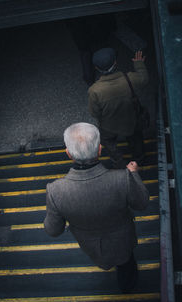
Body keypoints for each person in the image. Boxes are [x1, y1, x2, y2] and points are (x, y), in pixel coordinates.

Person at [44, 122, 149, 292]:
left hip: (91, 245)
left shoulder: (55, 191)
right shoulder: (122, 179)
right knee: (127, 265)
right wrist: (134, 174)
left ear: (69, 154)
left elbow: (53, 230)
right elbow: (142, 203)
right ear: (100, 150)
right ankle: (128, 286)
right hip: (123, 239)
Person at [88, 48, 149, 168]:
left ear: (96, 68)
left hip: (109, 126)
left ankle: (119, 163)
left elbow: (94, 113)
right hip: (131, 121)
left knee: (108, 142)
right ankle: (139, 160)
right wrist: (139, 64)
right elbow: (144, 78)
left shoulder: (94, 90)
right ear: (115, 63)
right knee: (135, 139)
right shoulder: (129, 79)